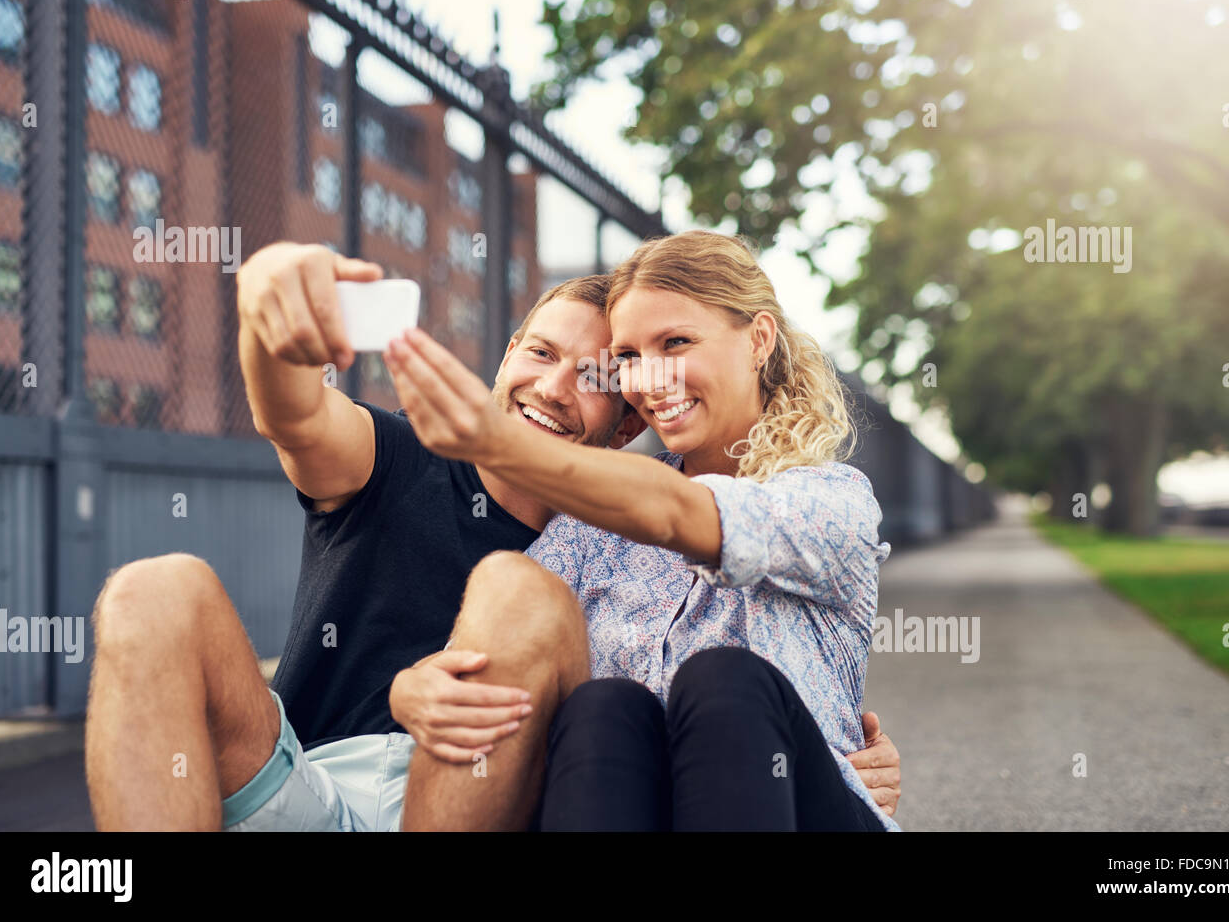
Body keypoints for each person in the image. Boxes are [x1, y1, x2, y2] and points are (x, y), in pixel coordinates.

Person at [84, 241, 900, 831]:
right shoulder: (415, 466)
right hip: (300, 782)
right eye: (540, 352)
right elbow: (292, 416)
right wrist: (266, 308)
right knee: (151, 590)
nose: (552, 386)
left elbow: (680, 528)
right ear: (509, 354)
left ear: (624, 430)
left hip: (470, 806)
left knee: (578, 627)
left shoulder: (647, 524)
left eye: (594, 377)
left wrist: (822, 753)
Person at [384, 229, 898, 831]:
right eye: (628, 357)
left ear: (759, 340)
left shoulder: (832, 500)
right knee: (604, 708)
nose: (649, 380)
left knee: (723, 677)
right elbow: (490, 657)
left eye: (676, 342)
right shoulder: (592, 527)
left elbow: (680, 512)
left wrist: (497, 442)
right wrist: (410, 689)